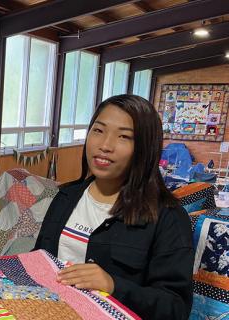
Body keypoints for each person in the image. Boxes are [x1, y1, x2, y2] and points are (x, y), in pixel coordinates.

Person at [34, 94, 194, 319]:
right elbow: (40, 258)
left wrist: (113, 286)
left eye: (124, 137)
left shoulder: (168, 218)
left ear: (145, 148)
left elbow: (175, 308)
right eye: (98, 130)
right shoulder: (66, 196)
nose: (105, 145)